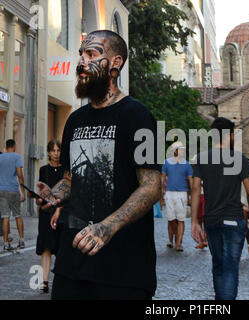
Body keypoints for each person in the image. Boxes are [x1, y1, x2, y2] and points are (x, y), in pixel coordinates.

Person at [34, 30, 161, 300]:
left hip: (124, 271)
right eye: (81, 54)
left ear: (115, 63)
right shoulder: (74, 120)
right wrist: (54, 195)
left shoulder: (140, 116)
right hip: (72, 265)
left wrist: (107, 227)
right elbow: (70, 178)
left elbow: (152, 186)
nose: (81, 61)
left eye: (91, 54)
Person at [191, 117, 249, 300]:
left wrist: (194, 221)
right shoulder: (238, 158)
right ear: (229, 135)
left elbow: (195, 189)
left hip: (211, 220)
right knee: (231, 267)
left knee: (218, 265)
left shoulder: (201, 159)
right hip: (233, 218)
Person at [36, 139, 64, 293]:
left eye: (58, 150)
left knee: (61, 248)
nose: (56, 154)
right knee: (46, 248)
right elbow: (41, 192)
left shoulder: (65, 170)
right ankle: (45, 282)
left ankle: (59, 281)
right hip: (46, 214)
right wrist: (39, 200)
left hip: (61, 213)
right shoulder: (43, 170)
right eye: (53, 150)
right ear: (48, 152)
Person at [161, 141, 193, 252]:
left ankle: (179, 243)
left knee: (180, 219)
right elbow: (162, 178)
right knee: (171, 219)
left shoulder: (187, 164)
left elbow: (190, 180)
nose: (182, 151)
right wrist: (161, 191)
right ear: (174, 151)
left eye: (183, 149)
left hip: (182, 194)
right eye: (180, 149)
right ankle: (172, 239)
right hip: (169, 193)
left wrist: (192, 195)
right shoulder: (166, 163)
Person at [0, 139, 26, 251]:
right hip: (14, 190)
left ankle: (6, 243)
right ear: (14, 146)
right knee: (17, 215)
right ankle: (21, 240)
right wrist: (23, 192)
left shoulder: (0, 157)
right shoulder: (17, 157)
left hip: (2, 191)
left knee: (5, 217)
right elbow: (20, 175)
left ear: (6, 146)